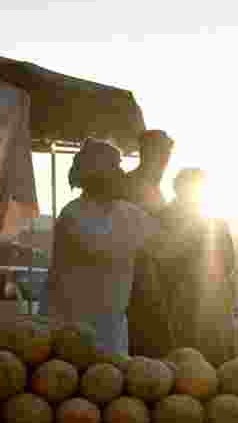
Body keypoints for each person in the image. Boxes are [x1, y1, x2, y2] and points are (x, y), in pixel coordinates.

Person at [43, 138, 159, 355]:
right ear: (95, 175)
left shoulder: (129, 212)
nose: (121, 175)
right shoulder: (73, 214)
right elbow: (101, 247)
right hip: (70, 326)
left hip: (111, 330)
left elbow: (161, 245)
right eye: (114, 168)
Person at [145, 168, 238, 365]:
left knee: (207, 362)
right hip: (182, 302)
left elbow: (229, 264)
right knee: (192, 362)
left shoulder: (212, 222)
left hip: (205, 301)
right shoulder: (164, 219)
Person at [124, 130, 176, 358]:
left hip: (153, 273)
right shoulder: (130, 185)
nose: (164, 164)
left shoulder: (154, 188)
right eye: (161, 156)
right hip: (134, 274)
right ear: (146, 154)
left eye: (167, 158)